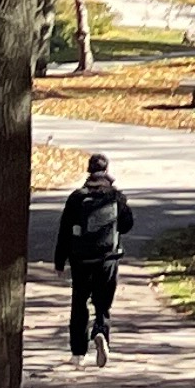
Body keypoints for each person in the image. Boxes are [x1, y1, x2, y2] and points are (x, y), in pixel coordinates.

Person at [54, 153, 135, 371]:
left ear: (88, 171)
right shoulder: (116, 196)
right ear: (107, 170)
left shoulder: (77, 197)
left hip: (81, 260)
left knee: (79, 304)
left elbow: (65, 231)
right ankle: (101, 332)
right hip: (108, 259)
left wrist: (59, 261)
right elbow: (127, 225)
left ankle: (78, 354)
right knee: (103, 304)